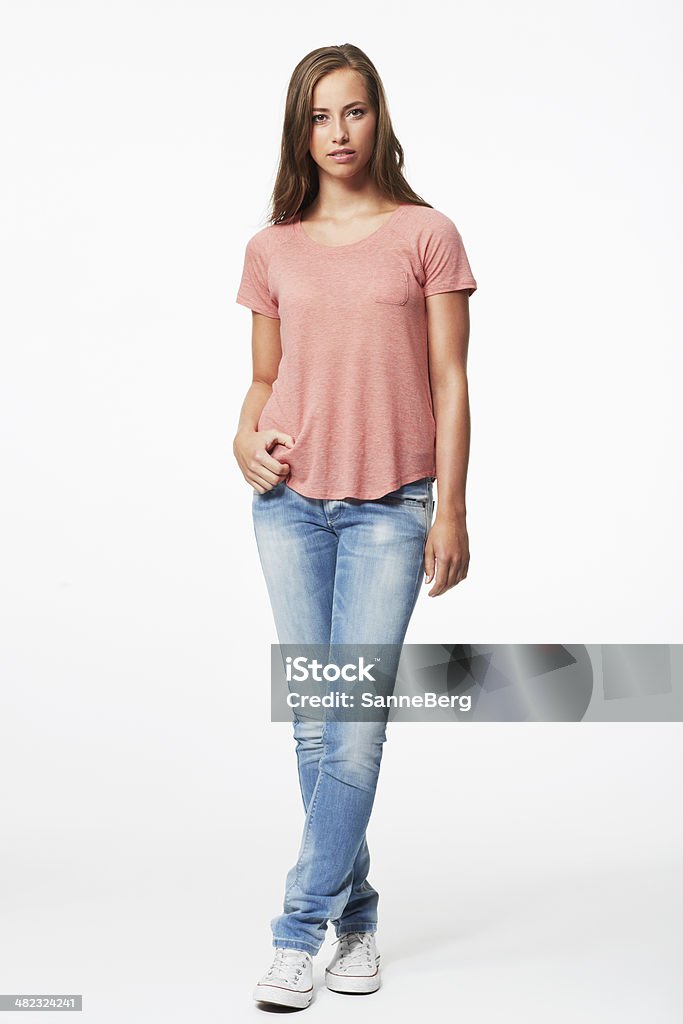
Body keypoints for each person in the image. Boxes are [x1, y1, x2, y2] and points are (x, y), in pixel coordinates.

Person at [233, 43, 477, 1010]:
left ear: (380, 119)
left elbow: (452, 380)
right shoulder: (272, 247)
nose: (338, 133)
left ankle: (297, 931)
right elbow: (261, 378)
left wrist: (449, 507)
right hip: (287, 507)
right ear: (300, 129)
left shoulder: (427, 233)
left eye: (355, 111)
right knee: (313, 725)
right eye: (320, 115)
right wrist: (241, 442)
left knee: (355, 729)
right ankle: (360, 920)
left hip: (389, 508)